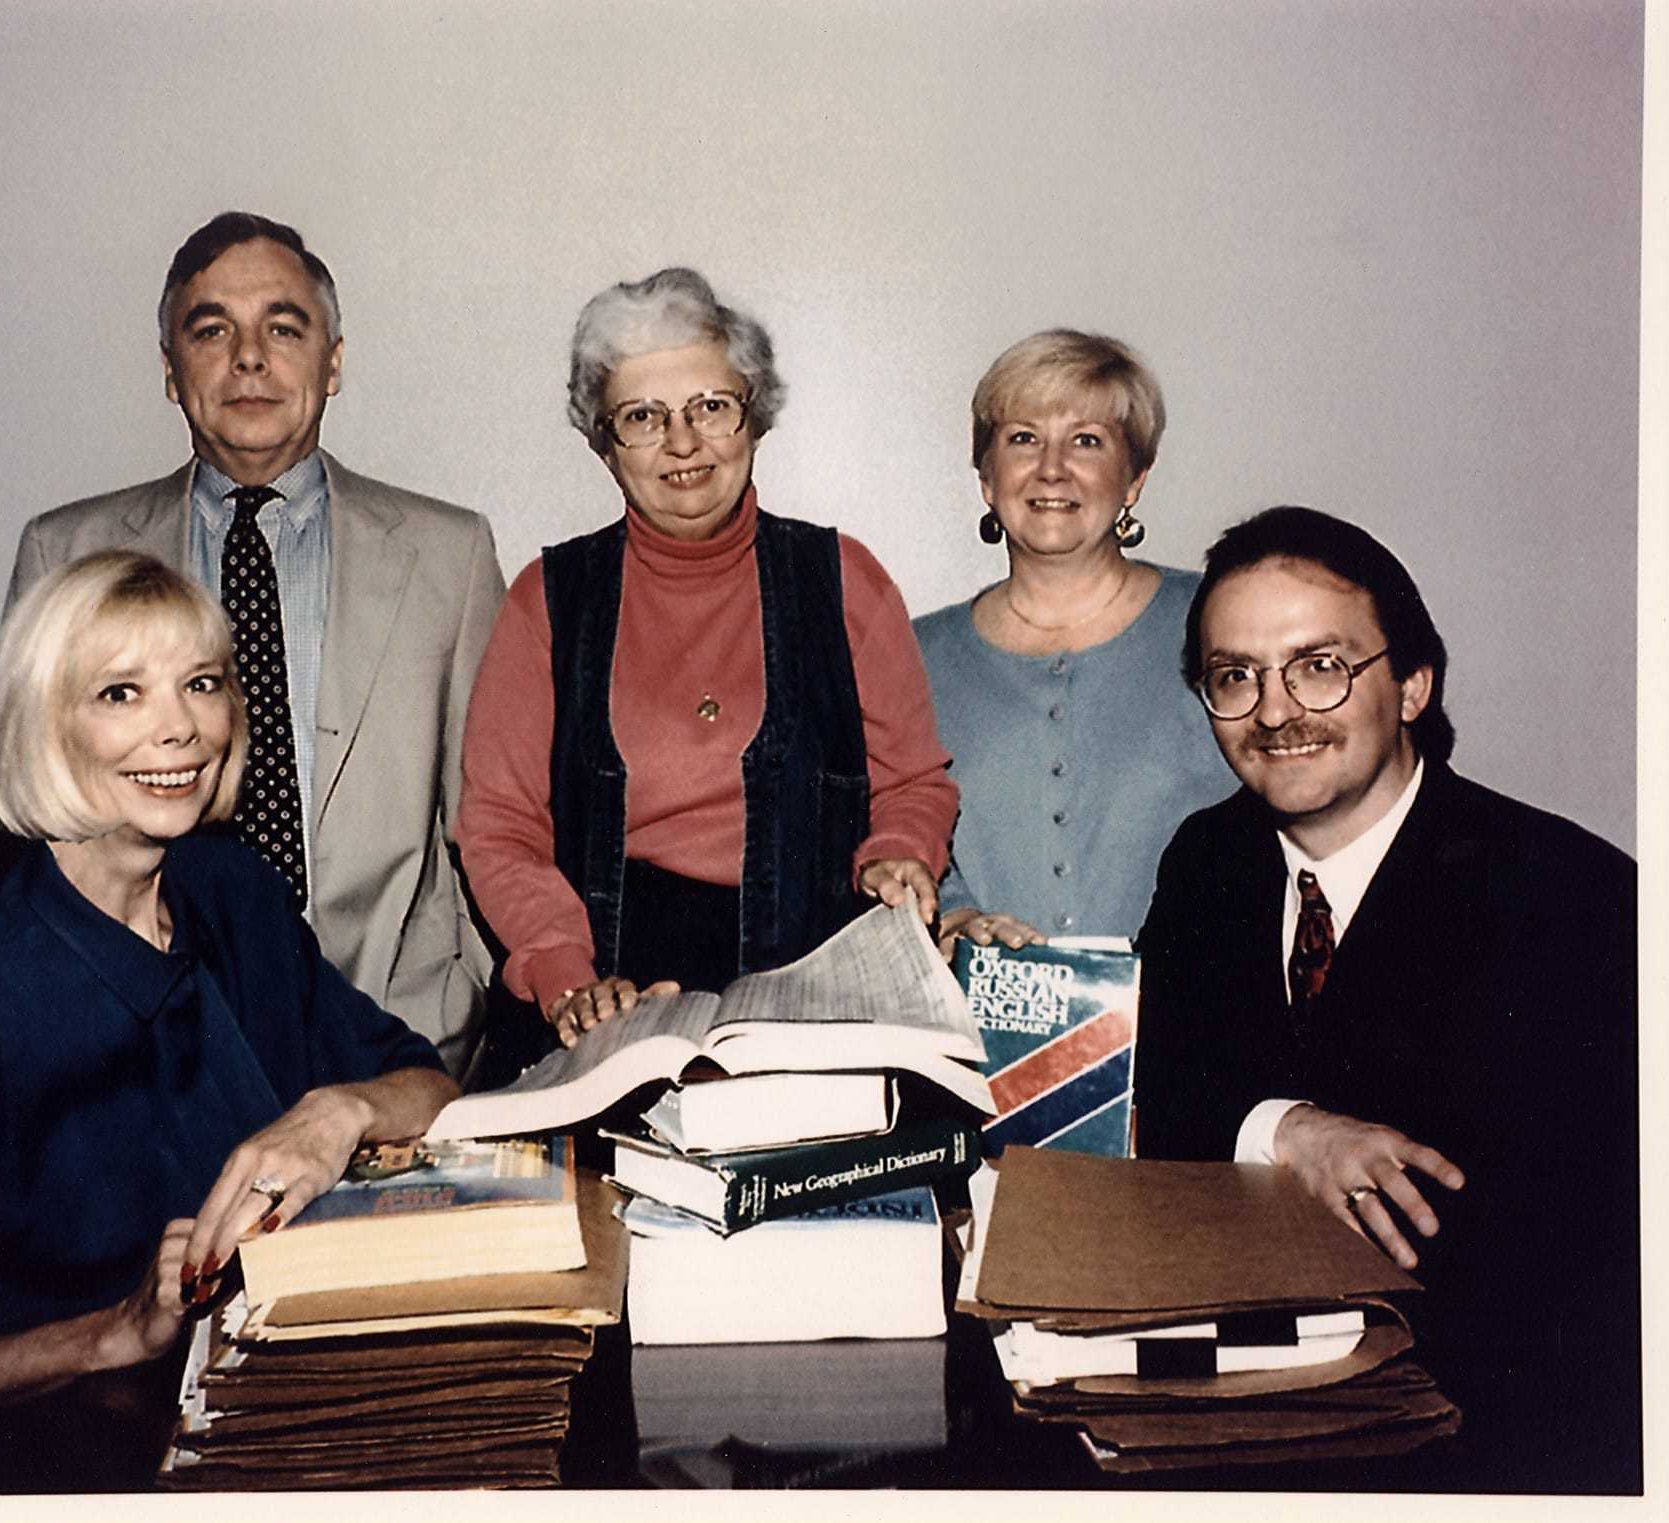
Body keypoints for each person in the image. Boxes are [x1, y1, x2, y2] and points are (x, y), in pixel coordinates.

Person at [0, 553, 458, 1492]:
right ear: (43, 728)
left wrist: (336, 1112)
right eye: (122, 692)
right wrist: (115, 1332)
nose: (181, 726)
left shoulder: (233, 896)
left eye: (202, 683)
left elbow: (430, 1086)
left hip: (288, 1428)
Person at [1134, 507, 1639, 1491]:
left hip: (1493, 1429)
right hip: (1233, 1407)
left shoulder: (1570, 893)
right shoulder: (1207, 857)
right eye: (1235, 676)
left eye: (1319, 666)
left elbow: (1563, 1231)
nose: (1274, 712)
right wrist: (1287, 1127)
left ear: (1412, 685)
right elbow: (1163, 1091)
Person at [0, 212, 505, 1077]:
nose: (249, 357)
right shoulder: (68, 550)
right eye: (211, 330)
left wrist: (469, 992)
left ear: (333, 360)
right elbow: (6, 806)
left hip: (399, 1050)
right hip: (140, 1063)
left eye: (284, 327)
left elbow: (492, 818)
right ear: (171, 370)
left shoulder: (450, 554)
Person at [456, 266, 959, 1058]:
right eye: (643, 416)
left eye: (710, 408)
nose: (682, 443)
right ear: (603, 444)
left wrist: (897, 854)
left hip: (812, 992)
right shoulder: (545, 600)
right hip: (605, 996)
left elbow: (913, 783)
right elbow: (499, 826)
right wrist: (562, 969)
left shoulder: (846, 580)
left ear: (753, 420)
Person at [913, 330, 1232, 951]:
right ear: (987, 476)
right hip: (985, 1035)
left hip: (1200, 1027)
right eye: (1023, 438)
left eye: (1087, 440)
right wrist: (952, 917)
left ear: (1134, 479)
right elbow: (892, 841)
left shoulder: (1221, 623)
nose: (1051, 467)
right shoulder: (911, 659)